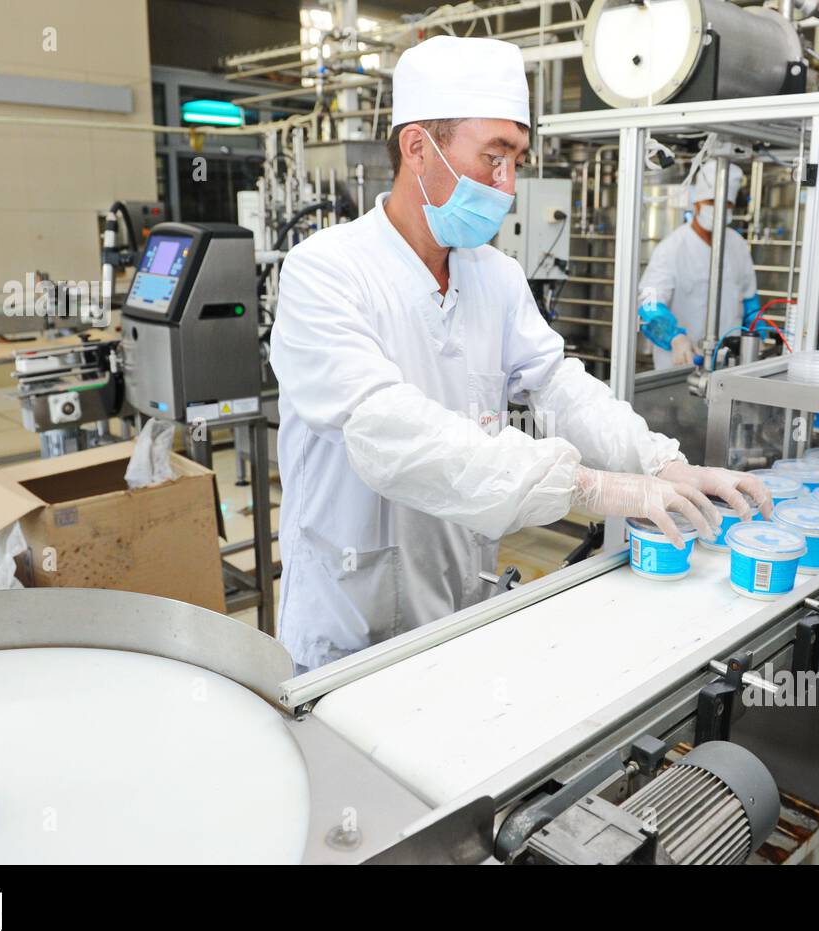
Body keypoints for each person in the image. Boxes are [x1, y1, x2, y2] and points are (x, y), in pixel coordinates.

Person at [269, 36, 771, 673]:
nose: (507, 185)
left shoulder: (495, 277)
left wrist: (662, 464)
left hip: (458, 596)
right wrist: (586, 487)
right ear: (418, 147)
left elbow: (559, 386)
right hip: (349, 607)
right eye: (493, 158)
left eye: (517, 160)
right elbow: (387, 431)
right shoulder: (328, 271)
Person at [638, 161, 760, 369]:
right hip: (681, 363)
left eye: (727, 205)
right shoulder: (671, 248)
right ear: (697, 202)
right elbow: (648, 303)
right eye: (712, 202)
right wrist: (674, 337)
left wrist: (758, 339)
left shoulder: (738, 245)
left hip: (730, 366)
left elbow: (751, 304)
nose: (720, 209)